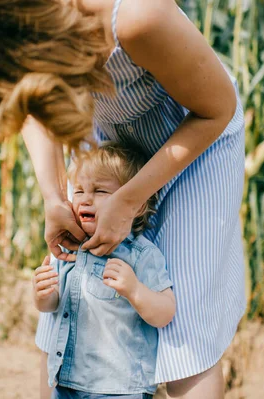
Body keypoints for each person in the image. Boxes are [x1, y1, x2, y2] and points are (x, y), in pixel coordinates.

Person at [0, 0, 246, 397]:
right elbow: (30, 102)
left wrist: (130, 199)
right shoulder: (24, 26)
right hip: (110, 141)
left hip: (194, 139)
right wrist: (54, 197)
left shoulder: (136, 17)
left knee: (184, 329)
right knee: (72, 289)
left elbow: (216, 110)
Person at [33, 143, 175, 398]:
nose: (85, 198)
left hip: (119, 388)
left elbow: (165, 312)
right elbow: (54, 306)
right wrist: (43, 296)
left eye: (99, 190)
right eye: (78, 191)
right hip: (67, 382)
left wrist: (135, 290)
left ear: (136, 205)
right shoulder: (69, 248)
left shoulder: (140, 255)